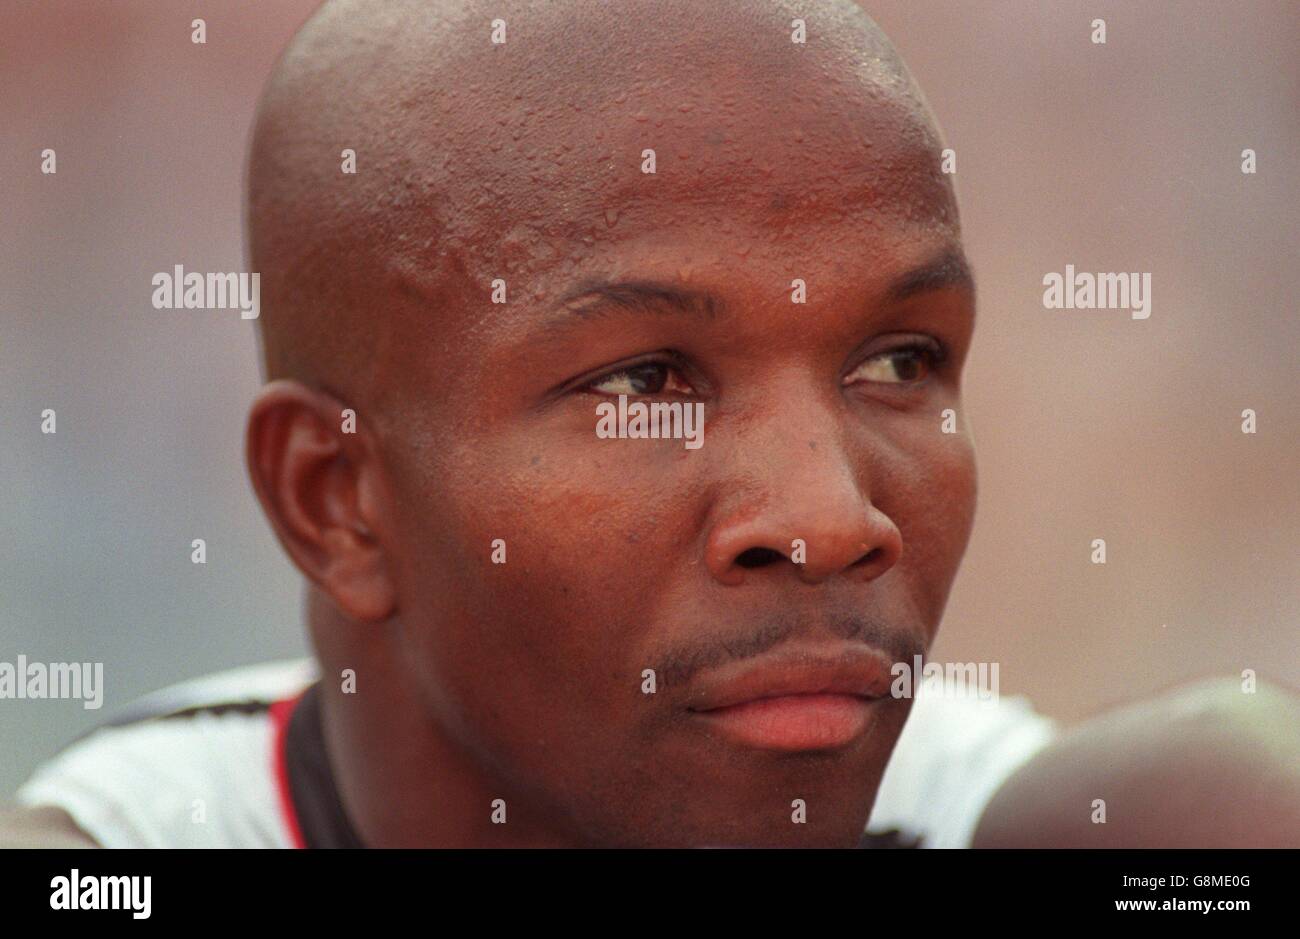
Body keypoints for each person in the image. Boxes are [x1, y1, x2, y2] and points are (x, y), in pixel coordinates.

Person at [5, 0, 1297, 848]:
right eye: (643, 384)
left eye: (898, 359)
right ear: (334, 499)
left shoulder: (1131, 833)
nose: (830, 519)